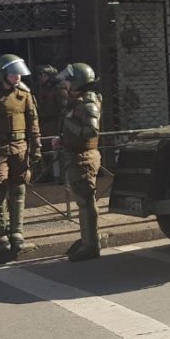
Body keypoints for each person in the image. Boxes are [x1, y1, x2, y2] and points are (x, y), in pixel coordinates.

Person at [0, 54, 41, 253]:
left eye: (19, 74)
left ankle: (17, 231)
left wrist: (36, 146)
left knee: (19, 188)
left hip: (20, 148)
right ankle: (0, 234)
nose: (17, 77)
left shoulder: (25, 94)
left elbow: (33, 122)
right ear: (2, 74)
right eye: (13, 74)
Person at [56, 63, 103, 262]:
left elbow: (91, 131)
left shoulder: (88, 102)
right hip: (76, 156)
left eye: (69, 80)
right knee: (83, 201)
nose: (66, 84)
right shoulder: (78, 101)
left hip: (84, 157)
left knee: (86, 202)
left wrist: (69, 124)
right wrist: (63, 139)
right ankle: (87, 239)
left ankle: (91, 245)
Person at [32, 65, 68, 183]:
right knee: (44, 150)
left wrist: (60, 128)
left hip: (54, 123)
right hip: (43, 123)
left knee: (58, 149)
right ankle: (46, 174)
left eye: (44, 75)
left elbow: (63, 109)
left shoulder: (59, 89)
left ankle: (62, 176)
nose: (41, 77)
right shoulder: (40, 89)